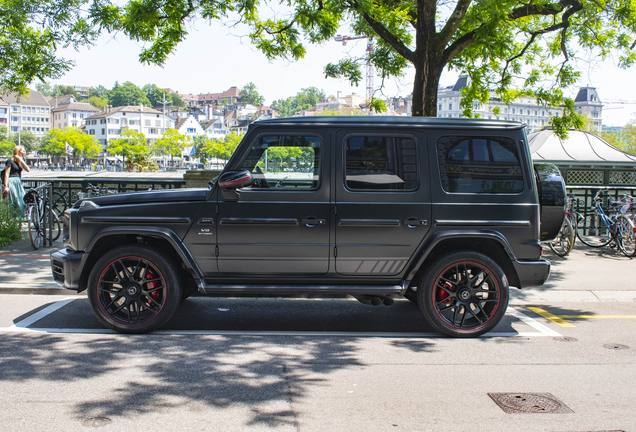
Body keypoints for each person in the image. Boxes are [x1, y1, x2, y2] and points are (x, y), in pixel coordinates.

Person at [2, 145, 30, 216]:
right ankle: (13, 221)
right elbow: (6, 173)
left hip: (18, 182)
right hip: (11, 182)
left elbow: (28, 169)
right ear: (18, 151)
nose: (24, 152)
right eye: (23, 151)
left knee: (22, 200)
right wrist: (5, 186)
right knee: (14, 201)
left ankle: (19, 220)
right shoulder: (10, 161)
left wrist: (21, 160)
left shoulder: (19, 161)